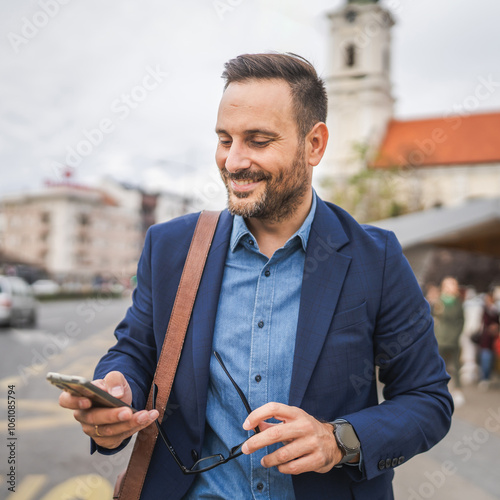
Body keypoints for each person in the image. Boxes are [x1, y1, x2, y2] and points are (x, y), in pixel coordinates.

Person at [59, 53, 453, 500]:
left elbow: (428, 399)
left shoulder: (376, 258)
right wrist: (116, 392)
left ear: (315, 145)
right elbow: (134, 350)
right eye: (225, 139)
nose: (233, 161)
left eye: (259, 141)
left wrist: (337, 440)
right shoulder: (170, 246)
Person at [431, 277, 465, 394]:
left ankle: (458, 389)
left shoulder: (458, 302)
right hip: (440, 338)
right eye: (448, 285)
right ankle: (438, 389)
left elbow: (461, 320)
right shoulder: (439, 301)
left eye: (452, 285)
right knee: (439, 365)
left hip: (453, 339)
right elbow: (434, 317)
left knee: (456, 366)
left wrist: (456, 334)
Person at [478, 290, 500, 389]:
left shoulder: (496, 311)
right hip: (486, 340)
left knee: (494, 361)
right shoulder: (484, 310)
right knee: (485, 359)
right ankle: (485, 378)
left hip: (495, 341)